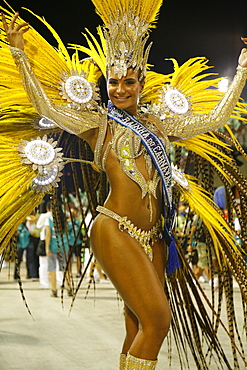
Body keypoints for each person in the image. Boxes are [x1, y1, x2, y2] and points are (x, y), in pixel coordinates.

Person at [1, 0, 247, 368]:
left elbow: (218, 117)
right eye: (112, 82)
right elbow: (47, 109)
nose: (119, 90)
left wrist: (242, 68)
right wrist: (20, 57)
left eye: (128, 81)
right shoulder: (99, 125)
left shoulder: (161, 125)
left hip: (155, 237)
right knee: (159, 321)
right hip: (114, 228)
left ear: (141, 83)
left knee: (137, 326)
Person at [36, 201, 52, 289]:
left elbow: (38, 226)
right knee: (56, 263)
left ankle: (44, 283)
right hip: (54, 240)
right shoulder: (57, 215)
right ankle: (60, 281)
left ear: (47, 208)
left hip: (44, 239)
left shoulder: (44, 216)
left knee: (43, 263)